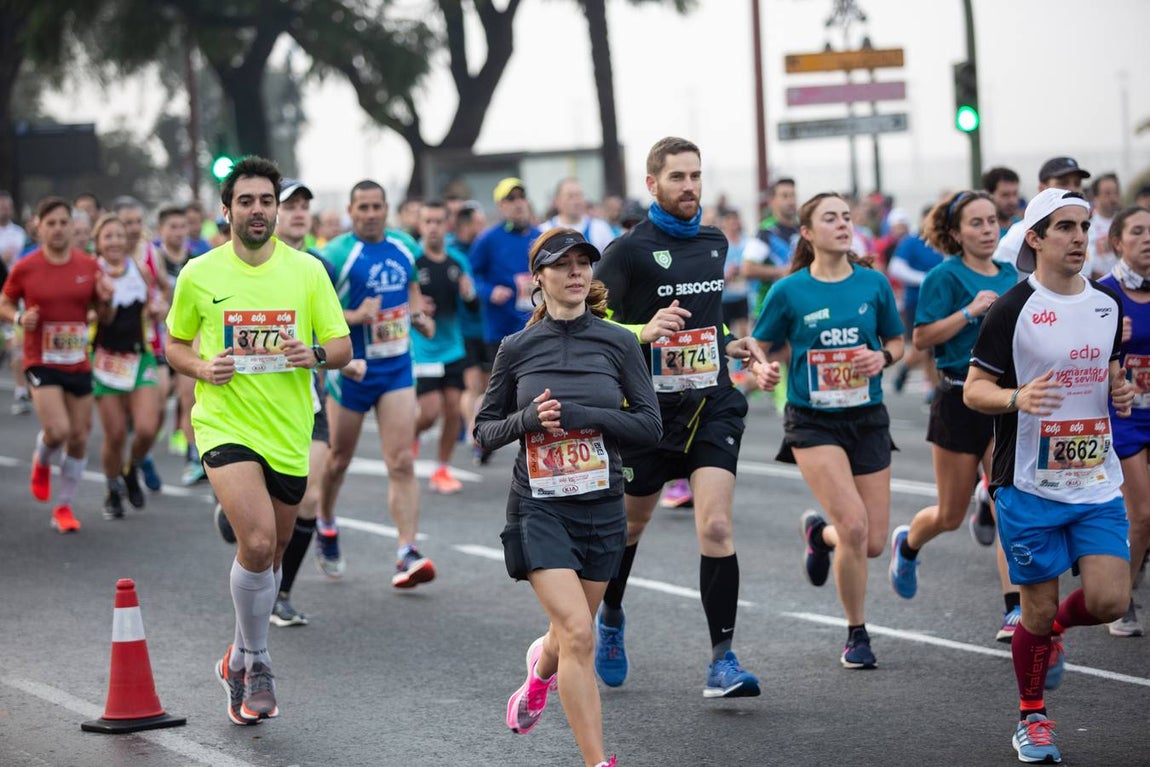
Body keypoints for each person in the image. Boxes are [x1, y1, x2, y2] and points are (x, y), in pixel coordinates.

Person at [166, 157, 350, 725]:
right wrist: (201, 367)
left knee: (268, 556)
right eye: (245, 201)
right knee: (260, 541)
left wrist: (313, 354)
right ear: (227, 211)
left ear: (277, 208)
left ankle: (236, 658)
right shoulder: (199, 273)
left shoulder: (307, 271)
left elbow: (341, 348)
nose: (257, 210)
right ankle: (261, 660)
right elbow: (173, 345)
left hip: (289, 430)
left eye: (265, 201)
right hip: (225, 424)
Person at [475, 228, 660, 767]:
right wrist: (528, 419)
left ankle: (539, 674)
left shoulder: (619, 341)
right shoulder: (517, 348)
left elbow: (649, 425)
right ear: (540, 277)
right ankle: (598, 761)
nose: (577, 272)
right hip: (539, 506)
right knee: (580, 632)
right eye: (563, 264)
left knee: (568, 635)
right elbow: (484, 430)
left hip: (603, 506)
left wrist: (587, 418)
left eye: (584, 263)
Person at [593, 136, 768, 697]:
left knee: (715, 525)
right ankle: (612, 616)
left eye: (695, 176)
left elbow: (703, 323)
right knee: (631, 526)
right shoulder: (627, 252)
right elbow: (582, 321)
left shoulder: (716, 243)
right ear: (653, 185)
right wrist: (640, 331)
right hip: (644, 411)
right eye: (677, 178)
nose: (689, 187)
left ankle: (723, 661)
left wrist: (729, 343)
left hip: (711, 403)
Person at [965, 188, 1133, 764]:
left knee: (1112, 600)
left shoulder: (1107, 305)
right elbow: (974, 390)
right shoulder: (1011, 308)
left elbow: (1109, 377)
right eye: (1064, 228)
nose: (1078, 238)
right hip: (1028, 483)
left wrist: (1121, 390)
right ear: (1035, 238)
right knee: (1031, 612)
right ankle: (1031, 717)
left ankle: (1057, 628)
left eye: (1084, 227)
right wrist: (1017, 396)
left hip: (1094, 479)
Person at [750, 192, 904, 668]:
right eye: (829, 218)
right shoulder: (790, 290)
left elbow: (897, 340)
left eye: (845, 217)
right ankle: (857, 632)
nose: (842, 224)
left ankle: (820, 537)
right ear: (808, 233)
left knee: (872, 541)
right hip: (812, 421)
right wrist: (761, 371)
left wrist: (883, 357)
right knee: (856, 526)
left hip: (867, 416)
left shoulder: (873, 285)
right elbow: (759, 342)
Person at [883, 191, 1022, 642]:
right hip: (958, 398)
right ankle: (908, 542)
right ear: (956, 232)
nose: (986, 230)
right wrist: (969, 312)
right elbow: (921, 338)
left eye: (991, 222)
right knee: (950, 513)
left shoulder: (1012, 277)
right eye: (976, 223)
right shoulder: (943, 276)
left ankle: (1014, 610)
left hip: (1002, 400)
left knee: (1009, 506)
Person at [321, 180, 438, 587]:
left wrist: (419, 316)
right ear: (352, 212)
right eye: (363, 207)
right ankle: (325, 520)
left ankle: (407, 550)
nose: (370, 213)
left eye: (376, 206)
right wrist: (354, 316)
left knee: (401, 461)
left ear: (387, 209)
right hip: (353, 368)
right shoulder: (335, 254)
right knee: (337, 459)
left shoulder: (405, 246)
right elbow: (318, 311)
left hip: (396, 367)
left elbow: (411, 292)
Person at [0, 197, 114, 532]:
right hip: (41, 360)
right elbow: (4, 302)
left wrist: (106, 301)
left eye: (64, 222)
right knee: (59, 430)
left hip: (77, 360)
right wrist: (20, 316)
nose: (59, 229)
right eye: (51, 223)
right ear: (38, 226)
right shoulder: (26, 266)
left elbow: (103, 314)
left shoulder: (89, 265)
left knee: (79, 437)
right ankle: (42, 459)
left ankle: (63, 506)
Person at [1097, 205, 1150, 637]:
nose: (1148, 239)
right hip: (1125, 416)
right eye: (1138, 231)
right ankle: (1121, 597)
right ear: (1118, 242)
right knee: (1143, 515)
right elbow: (1076, 359)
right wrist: (1112, 341)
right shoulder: (1103, 295)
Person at [90, 214, 164, 519]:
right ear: (98, 243)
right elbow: (99, 319)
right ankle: (112, 489)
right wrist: (103, 304)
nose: (116, 241)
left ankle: (131, 468)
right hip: (107, 360)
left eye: (119, 235)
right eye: (108, 236)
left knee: (147, 427)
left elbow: (155, 302)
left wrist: (157, 309)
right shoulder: (92, 274)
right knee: (116, 434)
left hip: (139, 355)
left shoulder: (141, 269)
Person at [469, 177, 542, 465]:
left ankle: (535, 447)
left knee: (533, 388)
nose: (518, 203)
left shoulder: (539, 235)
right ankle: (482, 437)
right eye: (510, 199)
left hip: (533, 326)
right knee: (495, 393)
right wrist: (490, 291)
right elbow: (472, 276)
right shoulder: (487, 239)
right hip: (499, 328)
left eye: (521, 197)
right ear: (501, 206)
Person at [413, 199, 480, 494]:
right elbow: (398, 303)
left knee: (453, 409)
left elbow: (473, 307)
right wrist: (413, 307)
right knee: (428, 413)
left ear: (447, 225)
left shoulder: (457, 262)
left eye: (439, 222)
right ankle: (409, 436)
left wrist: (468, 295)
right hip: (422, 348)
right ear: (420, 225)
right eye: (428, 222)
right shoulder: (413, 261)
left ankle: (441, 468)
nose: (433, 228)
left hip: (453, 346)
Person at [994, 156, 1091, 271]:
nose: (1072, 190)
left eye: (1077, 183)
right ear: (1042, 189)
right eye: (1063, 183)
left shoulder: (1086, 229)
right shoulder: (1018, 235)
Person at [887, 208, 944, 396]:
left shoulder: (945, 242)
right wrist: (925, 278)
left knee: (934, 350)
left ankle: (934, 388)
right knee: (923, 347)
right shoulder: (912, 242)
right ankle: (907, 368)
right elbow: (895, 267)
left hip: (942, 301)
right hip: (916, 302)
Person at [539, 178, 617, 254]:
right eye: (570, 196)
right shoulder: (544, 230)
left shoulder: (600, 228)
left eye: (579, 195)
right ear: (557, 201)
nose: (576, 201)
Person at [1087, 173, 1122, 279]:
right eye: (1107, 193)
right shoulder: (1087, 227)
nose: (1113, 198)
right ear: (1095, 198)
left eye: (1115, 193)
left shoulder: (1127, 224)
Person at [982, 166, 1023, 238]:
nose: (1012, 201)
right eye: (1005, 195)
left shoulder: (1024, 229)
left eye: (1015, 194)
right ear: (988, 195)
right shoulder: (984, 234)